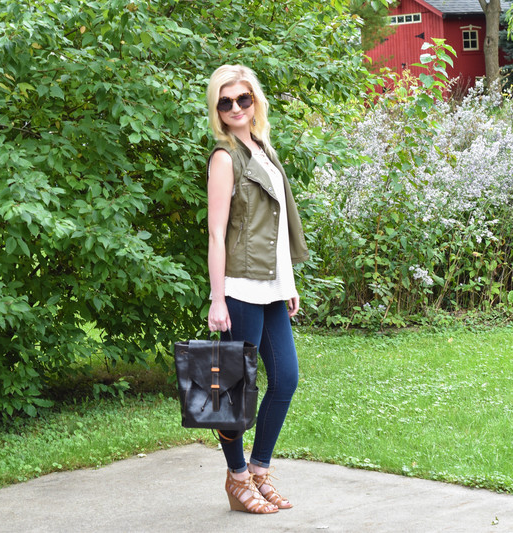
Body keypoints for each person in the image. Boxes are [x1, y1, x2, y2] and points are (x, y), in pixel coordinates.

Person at [205, 64, 309, 514]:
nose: (234, 108)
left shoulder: (262, 148)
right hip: (241, 288)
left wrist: (288, 281)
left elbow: (279, 225)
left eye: (242, 99)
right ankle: (237, 478)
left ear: (255, 102)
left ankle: (260, 470)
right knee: (236, 387)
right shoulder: (225, 158)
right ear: (216, 107)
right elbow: (216, 234)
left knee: (285, 379)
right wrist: (216, 297)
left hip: (271, 285)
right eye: (224, 101)